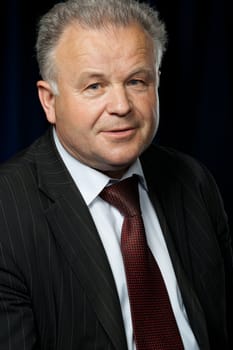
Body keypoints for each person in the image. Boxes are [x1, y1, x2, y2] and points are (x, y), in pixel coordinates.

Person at [0, 0, 232, 349]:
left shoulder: (193, 181)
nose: (122, 106)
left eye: (137, 81)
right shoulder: (7, 209)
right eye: (95, 86)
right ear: (49, 101)